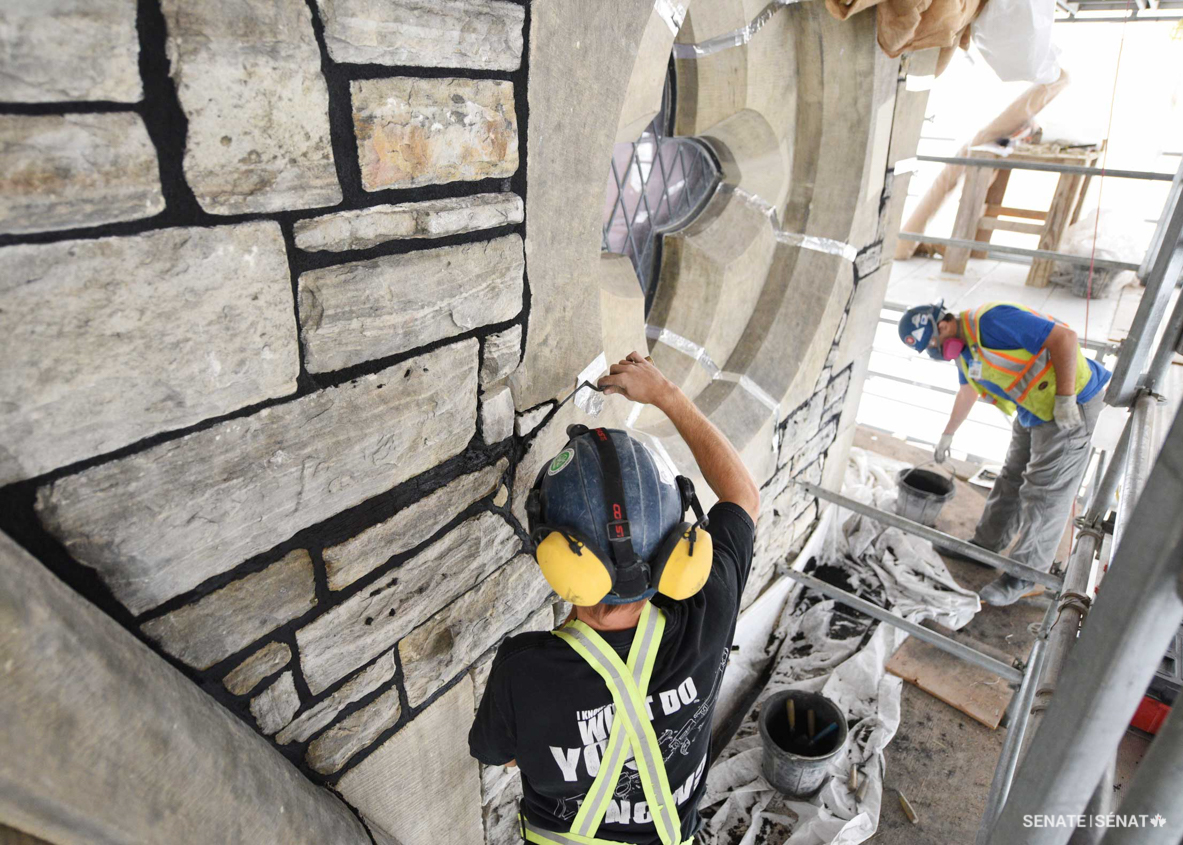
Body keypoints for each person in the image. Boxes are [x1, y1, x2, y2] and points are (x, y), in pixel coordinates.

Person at [469, 351, 759, 845]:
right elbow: (742, 496)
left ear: (558, 557)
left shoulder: (523, 671)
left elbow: (505, 753)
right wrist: (667, 395)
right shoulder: (710, 610)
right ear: (679, 550)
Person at [898, 300, 1111, 606]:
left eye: (933, 343)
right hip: (1033, 408)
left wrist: (1066, 397)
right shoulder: (964, 350)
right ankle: (985, 548)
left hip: (1070, 403)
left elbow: (1064, 338)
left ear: (942, 325)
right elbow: (967, 390)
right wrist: (948, 433)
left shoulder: (991, 321)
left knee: (1045, 493)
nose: (936, 351)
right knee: (1011, 478)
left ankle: (1024, 576)